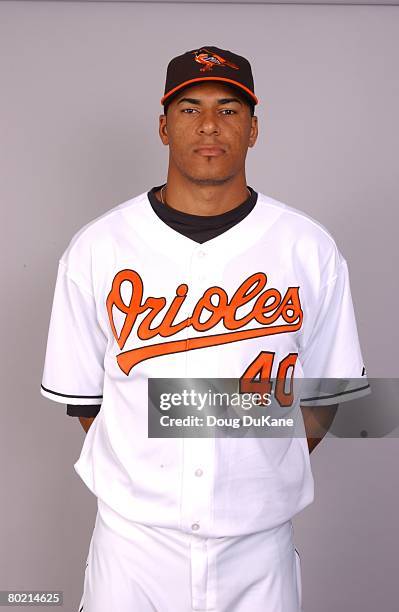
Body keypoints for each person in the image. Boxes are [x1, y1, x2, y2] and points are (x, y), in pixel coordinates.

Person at [40, 45, 370, 612]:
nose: (210, 125)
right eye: (190, 109)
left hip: (258, 548)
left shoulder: (306, 246)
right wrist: (149, 468)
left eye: (230, 109)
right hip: (133, 550)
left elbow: (325, 395)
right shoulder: (98, 247)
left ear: (254, 129)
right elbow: (86, 403)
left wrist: (253, 468)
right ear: (164, 127)